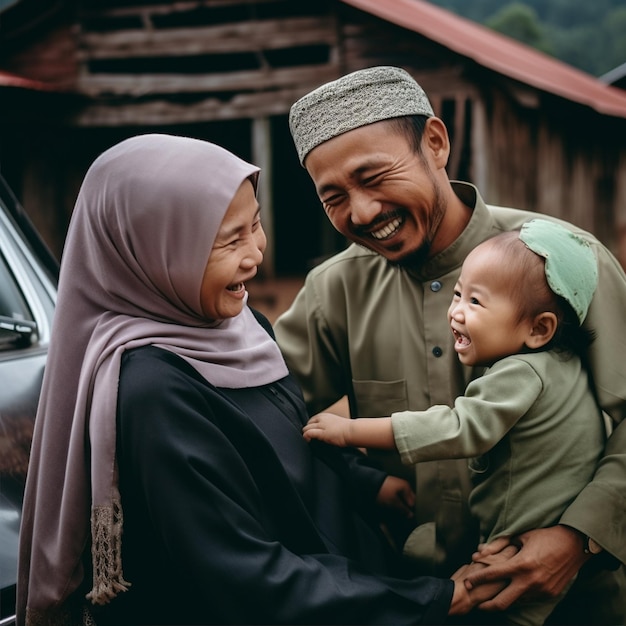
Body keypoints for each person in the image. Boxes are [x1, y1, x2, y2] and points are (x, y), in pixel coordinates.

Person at [16, 133, 505, 626]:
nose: (255, 255)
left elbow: (287, 436)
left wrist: (365, 483)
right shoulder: (153, 391)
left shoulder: (233, 327)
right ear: (152, 251)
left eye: (254, 226)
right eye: (228, 240)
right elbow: (243, 576)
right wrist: (436, 600)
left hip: (345, 576)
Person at [274, 66, 626, 623]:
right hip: (418, 598)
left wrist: (580, 538)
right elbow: (273, 419)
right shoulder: (332, 291)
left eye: (374, 176)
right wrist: (362, 483)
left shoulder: (562, 262)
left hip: (576, 601)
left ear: (435, 144)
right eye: (333, 197)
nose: (362, 213)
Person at [303, 220, 606, 625]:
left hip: (515, 552)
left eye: (476, 303)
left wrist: (349, 431)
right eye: (458, 293)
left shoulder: (522, 374)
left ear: (539, 329)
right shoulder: (566, 368)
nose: (456, 312)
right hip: (545, 540)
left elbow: (459, 427)